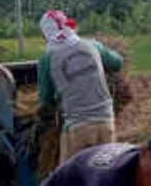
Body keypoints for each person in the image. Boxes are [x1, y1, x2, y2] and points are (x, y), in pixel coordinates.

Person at [37, 10, 125, 163]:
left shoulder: (47, 59)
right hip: (106, 123)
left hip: (77, 129)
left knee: (69, 176)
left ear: (46, 34)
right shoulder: (92, 45)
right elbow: (117, 63)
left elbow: (45, 98)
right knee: (104, 172)